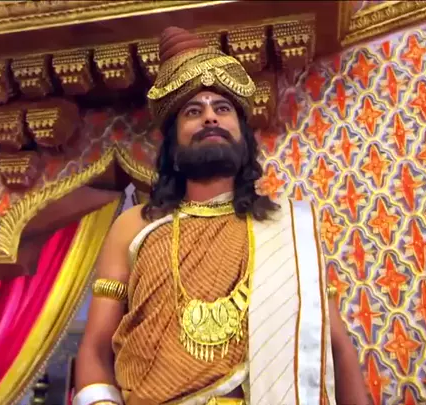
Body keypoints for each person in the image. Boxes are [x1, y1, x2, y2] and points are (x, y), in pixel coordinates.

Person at [74, 26, 369, 405]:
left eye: (223, 108)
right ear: (172, 142)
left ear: (243, 136)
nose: (210, 118)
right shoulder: (134, 226)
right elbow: (95, 349)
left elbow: (337, 346)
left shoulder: (287, 229)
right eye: (193, 111)